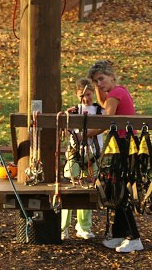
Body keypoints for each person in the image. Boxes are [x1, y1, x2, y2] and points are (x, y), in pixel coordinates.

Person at [87, 60, 144, 253]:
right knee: (117, 189)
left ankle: (134, 237)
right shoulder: (118, 92)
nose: (99, 84)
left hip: (122, 145)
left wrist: (85, 135)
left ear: (112, 76)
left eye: (101, 79)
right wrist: (98, 88)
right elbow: (105, 105)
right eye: (96, 81)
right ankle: (119, 234)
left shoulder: (116, 93)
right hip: (124, 144)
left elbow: (107, 120)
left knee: (120, 191)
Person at [61, 78, 102, 240]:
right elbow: (65, 130)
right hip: (75, 153)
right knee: (69, 188)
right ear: (77, 95)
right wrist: (67, 119)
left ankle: (84, 226)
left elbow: (102, 127)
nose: (86, 98)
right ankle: (63, 227)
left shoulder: (100, 110)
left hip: (93, 154)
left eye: (88, 94)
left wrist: (86, 135)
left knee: (88, 188)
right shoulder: (74, 111)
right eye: (82, 95)